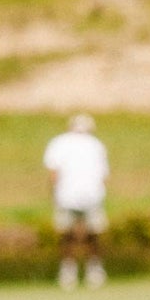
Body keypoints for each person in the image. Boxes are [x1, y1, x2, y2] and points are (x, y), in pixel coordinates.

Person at [44, 113, 109, 290]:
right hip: (92, 195)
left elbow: (53, 173)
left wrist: (53, 194)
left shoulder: (59, 142)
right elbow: (104, 175)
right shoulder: (96, 144)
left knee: (67, 235)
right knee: (93, 235)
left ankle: (68, 272)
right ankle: (94, 271)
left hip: (66, 196)